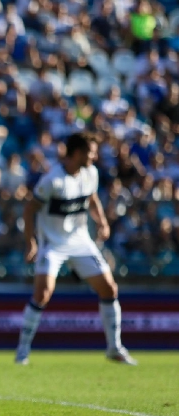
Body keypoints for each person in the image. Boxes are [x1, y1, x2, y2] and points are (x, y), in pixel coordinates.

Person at [16, 132, 137, 365]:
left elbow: (91, 198)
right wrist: (31, 241)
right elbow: (29, 209)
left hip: (80, 241)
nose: (94, 155)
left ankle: (114, 348)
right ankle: (23, 350)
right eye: (90, 152)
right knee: (42, 294)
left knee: (109, 288)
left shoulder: (90, 173)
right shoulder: (52, 180)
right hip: (52, 243)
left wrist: (101, 221)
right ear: (77, 153)